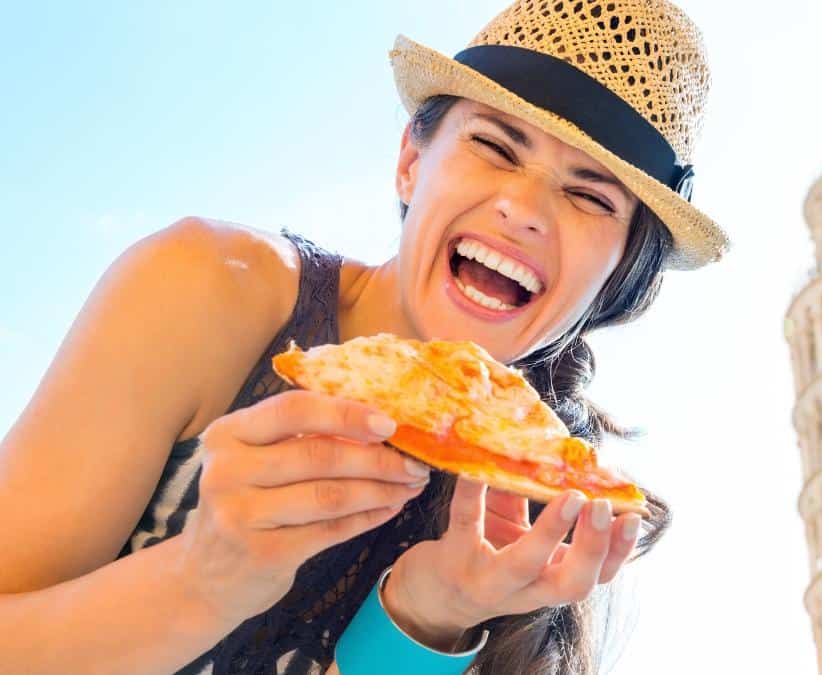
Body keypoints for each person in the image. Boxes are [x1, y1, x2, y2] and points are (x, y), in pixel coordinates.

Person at [0, 0, 730, 673]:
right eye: (497, 147)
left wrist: (422, 617)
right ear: (412, 161)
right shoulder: (210, 286)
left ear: (620, 276)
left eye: (587, 195)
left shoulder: (542, 531)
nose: (525, 208)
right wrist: (201, 578)